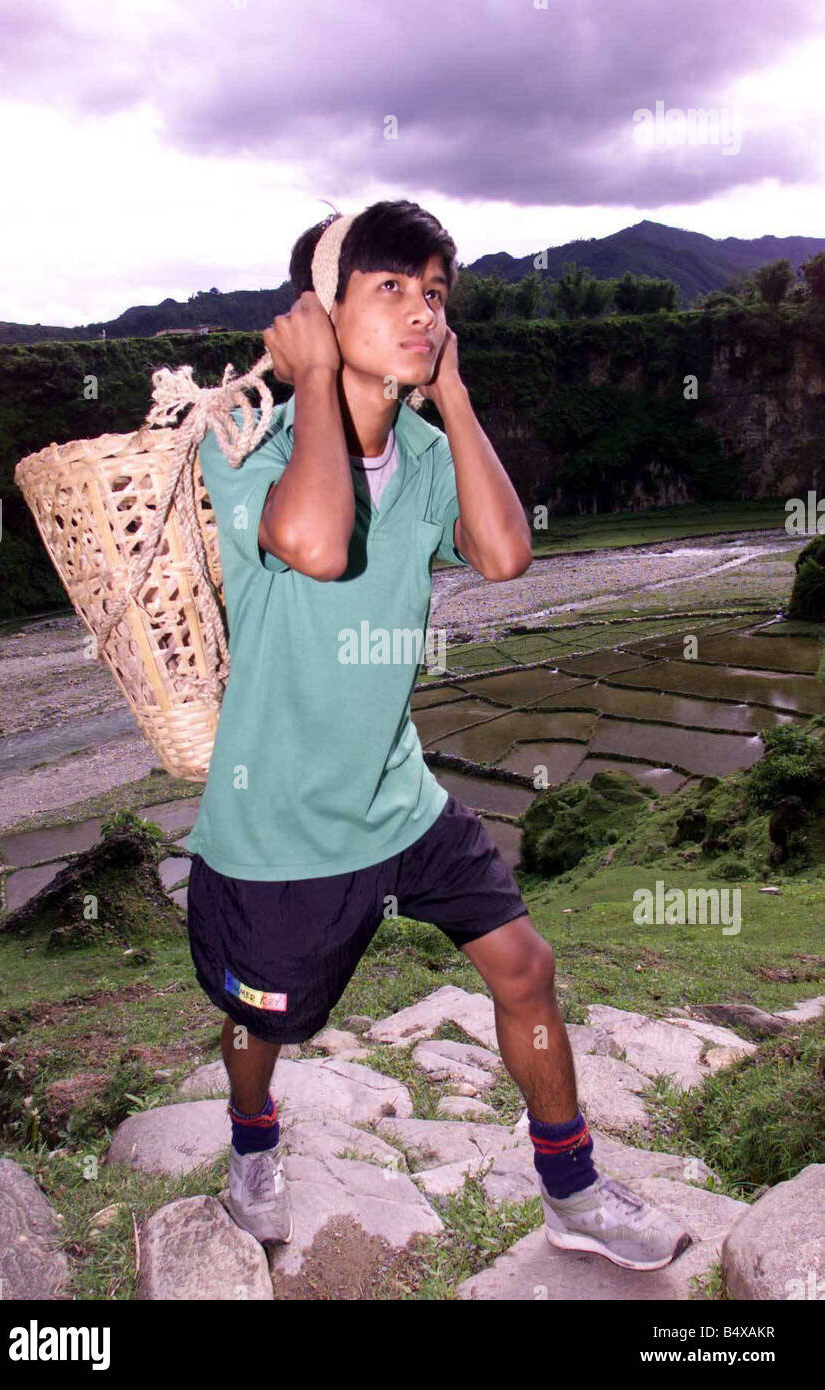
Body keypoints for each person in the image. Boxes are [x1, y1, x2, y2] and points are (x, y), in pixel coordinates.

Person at [185, 199, 693, 1273]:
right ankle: (250, 1139)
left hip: (397, 796)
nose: (422, 312)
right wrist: (315, 382)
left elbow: (504, 555)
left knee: (523, 965)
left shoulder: (422, 448)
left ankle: (571, 1185)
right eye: (391, 289)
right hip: (279, 825)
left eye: (434, 293)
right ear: (319, 315)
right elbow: (316, 544)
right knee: (262, 1021)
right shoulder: (246, 447)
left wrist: (452, 395)